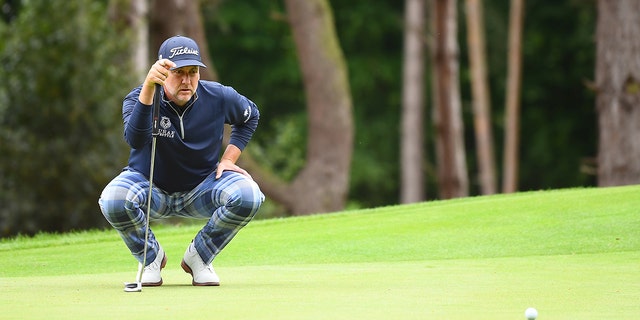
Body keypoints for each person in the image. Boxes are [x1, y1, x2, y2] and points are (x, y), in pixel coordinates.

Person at [99, 35, 264, 286]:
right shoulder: (139, 98)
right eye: (179, 73)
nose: (187, 80)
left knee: (249, 194)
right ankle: (151, 257)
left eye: (193, 72)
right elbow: (135, 139)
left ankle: (199, 257)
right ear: (163, 72)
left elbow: (250, 116)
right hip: (150, 186)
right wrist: (148, 88)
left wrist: (229, 158)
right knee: (113, 199)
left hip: (201, 188)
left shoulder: (218, 96)